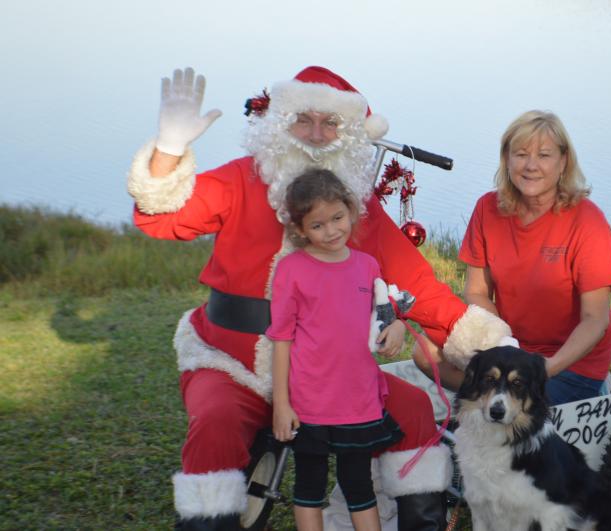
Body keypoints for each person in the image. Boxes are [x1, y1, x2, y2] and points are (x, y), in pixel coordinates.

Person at [126, 65, 512, 530]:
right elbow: (161, 217)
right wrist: (168, 151)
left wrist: (493, 348)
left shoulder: (354, 210)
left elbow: (419, 288)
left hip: (333, 375)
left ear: (349, 134)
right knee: (216, 424)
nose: (315, 134)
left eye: (331, 123)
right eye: (302, 120)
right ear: (279, 123)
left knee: (412, 411)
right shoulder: (241, 180)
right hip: (232, 364)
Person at [413, 110, 611, 405]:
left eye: (544, 155)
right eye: (521, 154)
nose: (531, 166)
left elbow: (595, 320)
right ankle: (493, 400)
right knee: (425, 352)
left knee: (515, 412)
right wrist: (503, 343)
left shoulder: (587, 221)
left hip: (568, 364)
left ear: (563, 161)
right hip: (509, 347)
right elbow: (476, 291)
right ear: (507, 159)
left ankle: (508, 402)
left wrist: (546, 369)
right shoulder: (487, 208)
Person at [269, 169, 405, 531]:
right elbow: (281, 339)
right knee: (309, 486)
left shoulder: (368, 266)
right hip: (310, 400)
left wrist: (397, 328)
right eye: (317, 225)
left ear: (351, 211)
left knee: (359, 484)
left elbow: (383, 317)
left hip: (358, 399)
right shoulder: (291, 270)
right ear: (300, 230)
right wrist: (281, 404)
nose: (331, 231)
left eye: (337, 218)